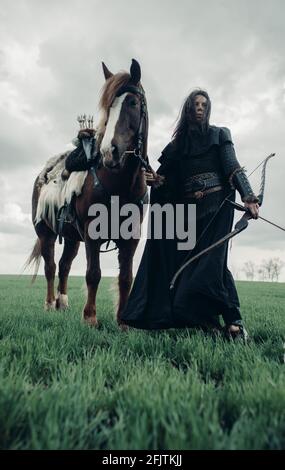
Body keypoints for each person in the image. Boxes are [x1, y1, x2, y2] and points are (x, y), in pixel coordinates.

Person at [120, 89, 259, 340]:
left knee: (211, 264)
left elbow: (232, 167)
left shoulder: (219, 134)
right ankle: (209, 324)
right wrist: (158, 181)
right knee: (189, 274)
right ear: (187, 109)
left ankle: (234, 322)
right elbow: (171, 185)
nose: (200, 108)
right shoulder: (176, 147)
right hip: (188, 215)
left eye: (204, 104)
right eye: (195, 104)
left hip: (218, 206)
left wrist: (248, 196)